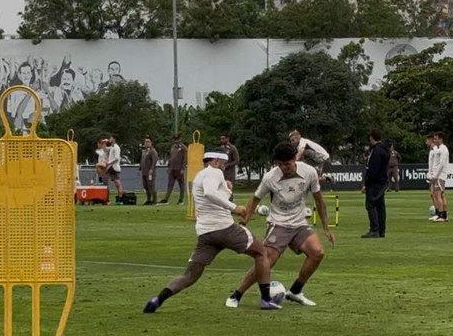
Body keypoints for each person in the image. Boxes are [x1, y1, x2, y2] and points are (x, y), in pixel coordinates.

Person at [143, 150, 280, 312]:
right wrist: (234, 207)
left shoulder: (199, 176)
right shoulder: (214, 172)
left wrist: (227, 190)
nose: (224, 167)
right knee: (262, 253)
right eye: (223, 164)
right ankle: (266, 299)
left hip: (206, 234)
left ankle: (158, 299)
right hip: (225, 228)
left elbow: (211, 197)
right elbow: (210, 192)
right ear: (216, 161)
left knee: (189, 276)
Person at [226, 141, 335, 308]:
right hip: (278, 224)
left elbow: (319, 201)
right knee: (267, 260)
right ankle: (237, 295)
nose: (284, 167)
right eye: (280, 164)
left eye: (288, 164)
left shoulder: (309, 172)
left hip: (299, 224)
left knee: (317, 252)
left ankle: (295, 291)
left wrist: (326, 227)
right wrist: (244, 222)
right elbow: (255, 199)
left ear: (295, 159)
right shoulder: (270, 177)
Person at [362, 129, 390, 238]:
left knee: (371, 204)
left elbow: (373, 169)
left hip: (375, 182)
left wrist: (366, 183)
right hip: (382, 181)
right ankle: (381, 230)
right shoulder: (385, 149)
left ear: (371, 138)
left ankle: (374, 229)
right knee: (380, 205)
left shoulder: (376, 151)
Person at [160, 134, 188, 204]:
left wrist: (183, 168)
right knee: (170, 184)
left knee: (181, 184)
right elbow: (171, 157)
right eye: (175, 139)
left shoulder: (183, 148)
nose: (176, 141)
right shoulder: (173, 147)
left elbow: (185, 159)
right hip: (172, 168)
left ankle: (181, 199)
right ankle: (166, 199)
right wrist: (168, 166)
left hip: (179, 168)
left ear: (180, 139)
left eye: (177, 139)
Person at [428, 132, 449, 222]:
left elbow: (442, 163)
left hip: (440, 176)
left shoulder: (443, 149)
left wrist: (435, 175)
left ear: (441, 139)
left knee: (438, 195)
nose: (434, 140)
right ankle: (443, 215)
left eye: (436, 139)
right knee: (438, 195)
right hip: (438, 175)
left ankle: (441, 215)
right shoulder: (440, 149)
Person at [139, 136, 158, 205]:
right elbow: (142, 160)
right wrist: (140, 167)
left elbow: (154, 160)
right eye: (145, 142)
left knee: (151, 186)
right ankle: (148, 199)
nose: (146, 143)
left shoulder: (153, 151)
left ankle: (154, 200)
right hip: (144, 171)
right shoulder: (144, 151)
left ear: (151, 143)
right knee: (146, 186)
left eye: (148, 142)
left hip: (150, 172)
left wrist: (152, 169)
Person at [106, 135, 125, 203]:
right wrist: (104, 142)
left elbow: (117, 158)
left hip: (114, 167)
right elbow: (105, 149)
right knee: (116, 183)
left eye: (110, 138)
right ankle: (120, 197)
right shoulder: (112, 147)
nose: (109, 139)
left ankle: (121, 198)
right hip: (111, 167)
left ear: (114, 139)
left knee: (117, 183)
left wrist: (109, 163)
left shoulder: (116, 147)